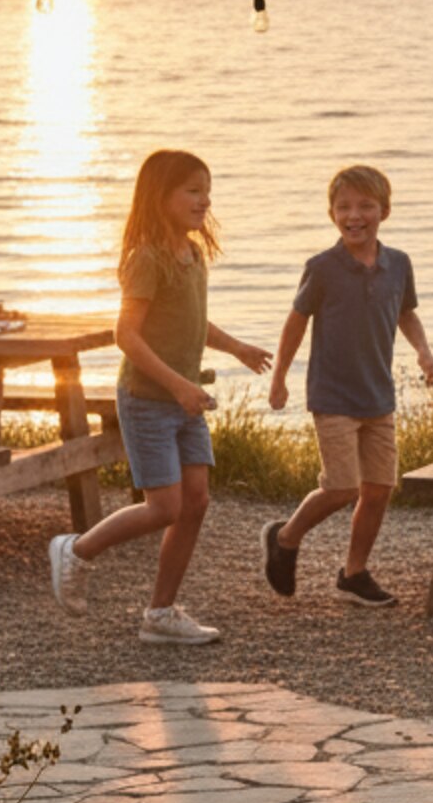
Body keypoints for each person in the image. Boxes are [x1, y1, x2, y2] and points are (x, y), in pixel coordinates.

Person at [48, 149, 271, 642]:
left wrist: (235, 347)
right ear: (160, 196)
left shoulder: (192, 254)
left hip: (184, 401)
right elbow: (125, 334)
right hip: (149, 399)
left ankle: (160, 614)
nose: (204, 200)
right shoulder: (146, 258)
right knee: (165, 506)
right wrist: (178, 385)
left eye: (207, 190)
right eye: (192, 190)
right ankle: (77, 550)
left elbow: (191, 318)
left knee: (196, 501)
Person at [260, 163, 433, 607]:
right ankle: (285, 537)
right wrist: (280, 378)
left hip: (378, 396)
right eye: (343, 207)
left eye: (365, 205)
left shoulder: (398, 264)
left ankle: (354, 574)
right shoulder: (322, 268)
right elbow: (296, 323)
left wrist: (424, 351)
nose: (353, 215)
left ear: (385, 211)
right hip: (333, 394)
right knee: (341, 487)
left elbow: (406, 313)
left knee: (378, 489)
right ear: (331, 214)